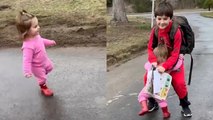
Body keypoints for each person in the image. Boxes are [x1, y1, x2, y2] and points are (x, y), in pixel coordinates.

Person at [138, 1, 192, 117]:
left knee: (179, 83)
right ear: (155, 18)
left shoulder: (176, 31)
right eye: (159, 19)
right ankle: (153, 101)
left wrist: (165, 66)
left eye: (165, 19)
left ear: (170, 19)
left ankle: (185, 105)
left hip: (174, 62)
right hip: (159, 60)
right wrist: (153, 61)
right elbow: (150, 48)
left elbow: (175, 54)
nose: (162, 22)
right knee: (148, 78)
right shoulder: (155, 30)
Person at [15, 10, 56, 97]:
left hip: (44, 60)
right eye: (35, 26)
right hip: (37, 66)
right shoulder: (28, 46)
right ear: (26, 31)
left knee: (50, 67)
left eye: (38, 25)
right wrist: (27, 71)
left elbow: (41, 41)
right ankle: (43, 87)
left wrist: (50, 42)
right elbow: (27, 60)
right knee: (42, 78)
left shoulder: (36, 36)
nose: (38, 27)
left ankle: (41, 75)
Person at [138, 44, 171, 118]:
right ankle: (165, 113)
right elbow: (175, 67)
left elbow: (146, 66)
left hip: (149, 87)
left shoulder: (151, 65)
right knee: (162, 100)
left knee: (141, 96)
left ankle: (144, 107)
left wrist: (153, 63)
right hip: (160, 88)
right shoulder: (166, 65)